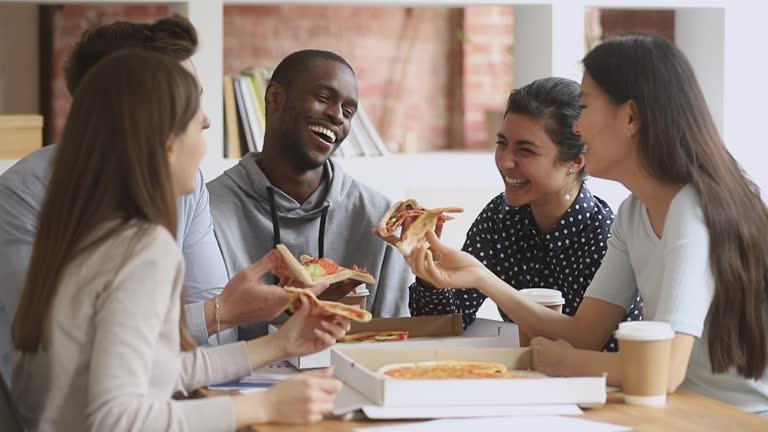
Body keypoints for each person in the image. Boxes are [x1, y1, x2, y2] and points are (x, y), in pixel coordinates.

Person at [404, 34, 768, 413]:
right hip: (679, 410)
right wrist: (481, 276)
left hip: (735, 418)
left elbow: (663, 372)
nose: (577, 130)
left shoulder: (691, 211)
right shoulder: (633, 213)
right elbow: (583, 333)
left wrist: (561, 361)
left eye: (585, 107)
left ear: (630, 117)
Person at [12, 50, 349, 431]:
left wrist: (278, 345)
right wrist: (263, 408)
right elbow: (116, 420)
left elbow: (154, 370)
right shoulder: (144, 249)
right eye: (195, 115)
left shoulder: (96, 230)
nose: (206, 122)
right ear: (165, 141)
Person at [404, 77, 642, 351]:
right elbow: (447, 325)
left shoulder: (604, 237)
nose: (505, 161)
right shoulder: (500, 217)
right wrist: (430, 273)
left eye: (526, 150)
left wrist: (482, 278)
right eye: (502, 143)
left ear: (576, 160)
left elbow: (607, 355)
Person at [208, 50, 411, 337]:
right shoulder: (207, 211)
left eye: (349, 111)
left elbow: (393, 343)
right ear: (275, 97)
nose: (337, 116)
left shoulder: (381, 221)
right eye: (324, 98)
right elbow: (200, 339)